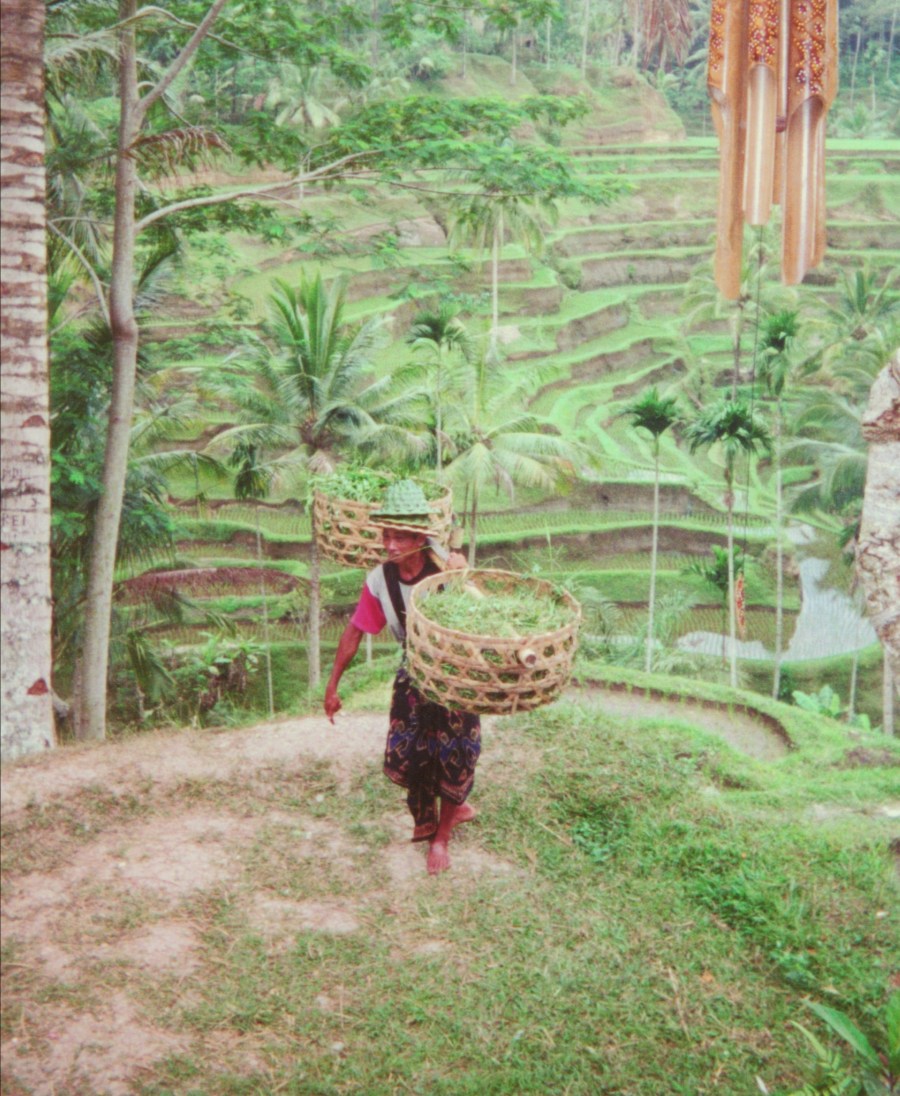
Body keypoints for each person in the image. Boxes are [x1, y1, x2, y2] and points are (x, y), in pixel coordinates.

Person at [323, 480, 480, 876]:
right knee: (411, 754)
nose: (390, 545)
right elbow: (355, 631)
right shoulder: (380, 579)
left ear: (421, 537)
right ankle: (444, 814)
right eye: (386, 535)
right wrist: (333, 686)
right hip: (413, 676)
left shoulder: (447, 568)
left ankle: (442, 836)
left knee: (453, 755)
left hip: (453, 676)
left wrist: (464, 579)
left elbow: (480, 614)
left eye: (400, 536)